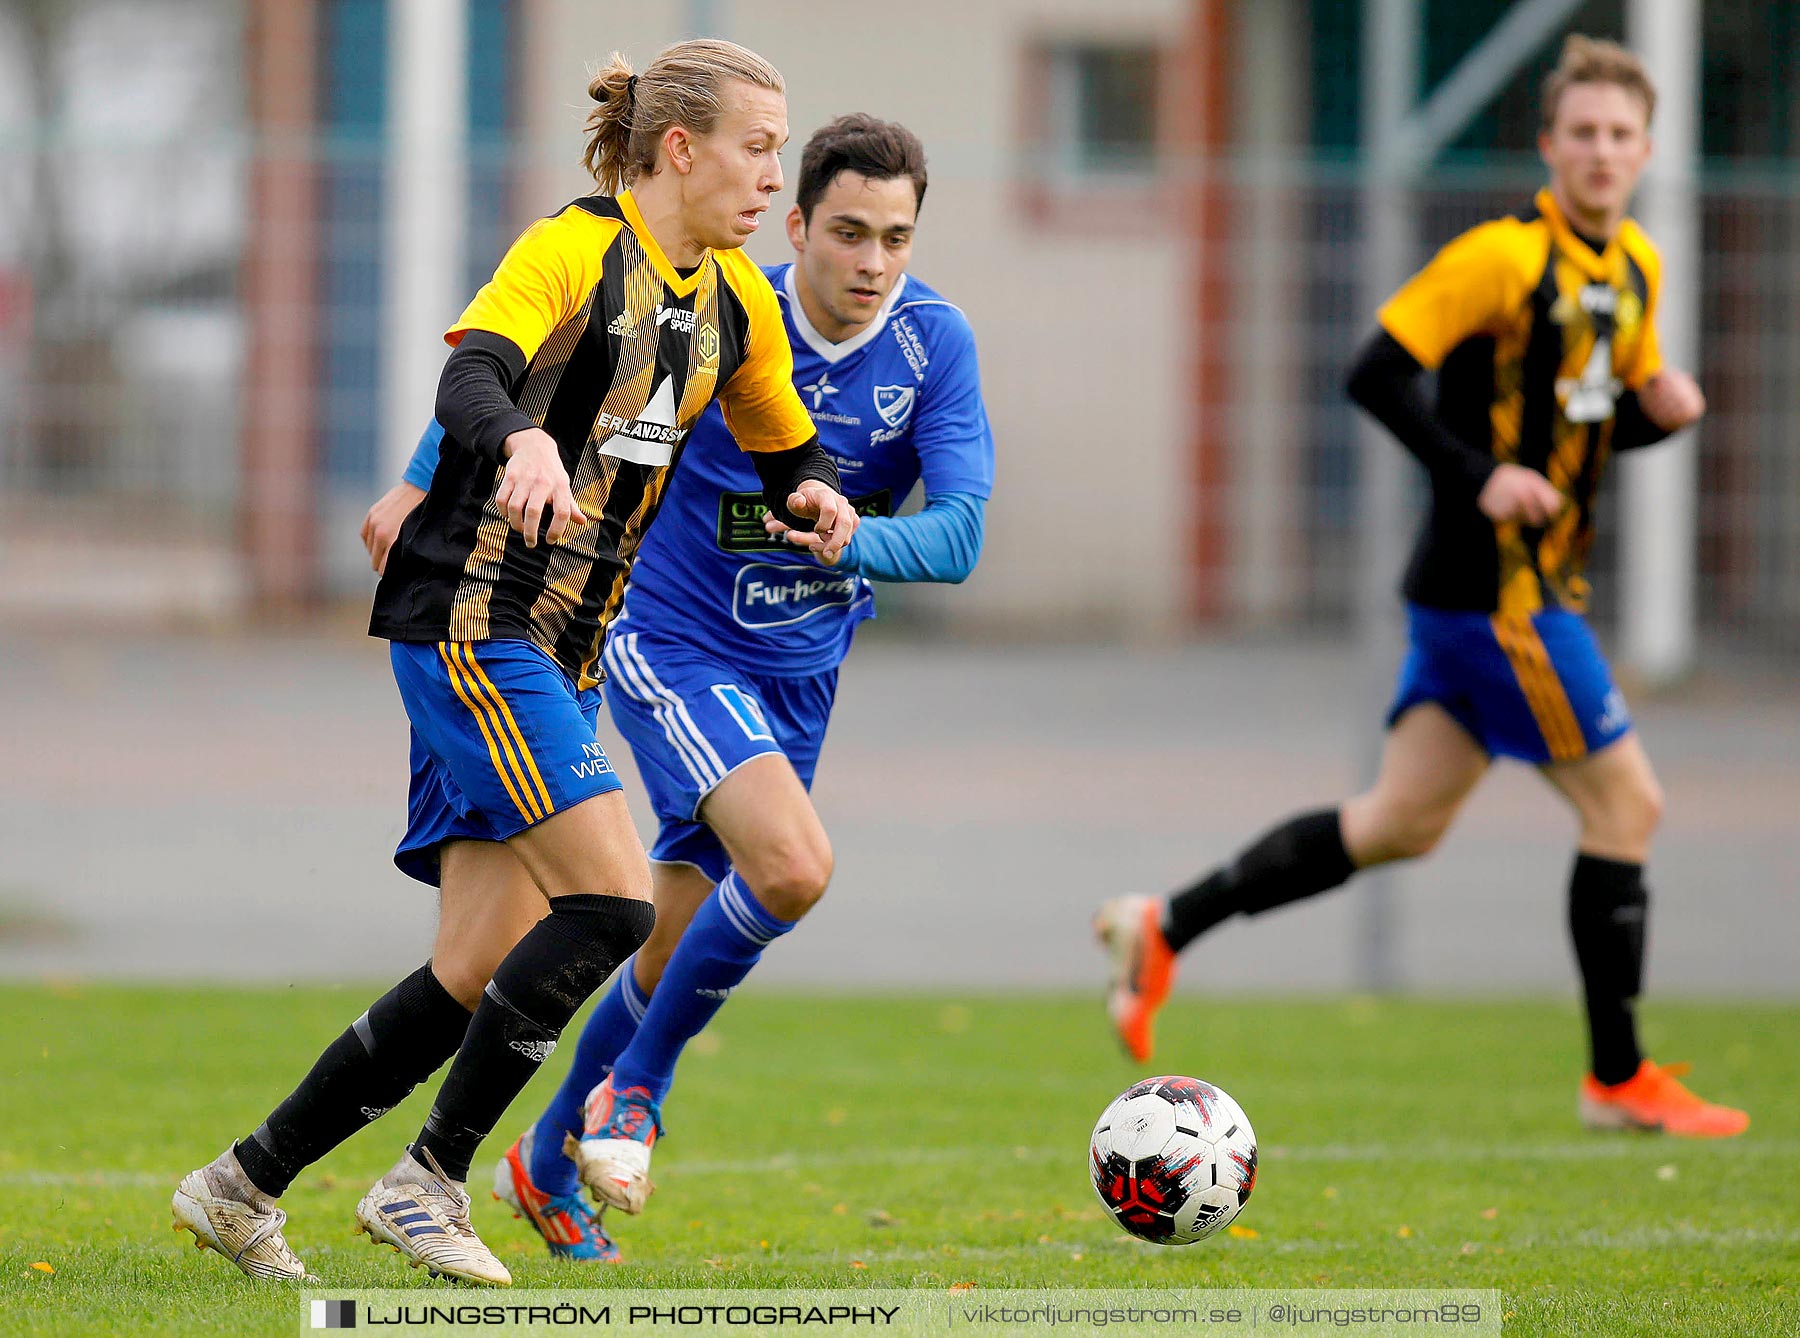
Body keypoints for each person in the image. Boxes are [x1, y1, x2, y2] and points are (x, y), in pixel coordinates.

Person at [171, 39, 858, 1287]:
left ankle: (241, 1185)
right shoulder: (571, 248)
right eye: (759, 148)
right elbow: (472, 373)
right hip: (475, 621)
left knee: (475, 965)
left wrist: (816, 498)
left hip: (565, 649)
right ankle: (428, 1182)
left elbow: (782, 451)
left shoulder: (739, 304)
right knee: (614, 906)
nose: (776, 176)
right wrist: (518, 442)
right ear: (681, 148)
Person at [364, 113, 993, 1263]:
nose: (872, 262)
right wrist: (420, 480)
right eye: (848, 231)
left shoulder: (931, 348)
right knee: (793, 865)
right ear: (796, 224)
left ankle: (546, 1160)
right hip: (670, 636)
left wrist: (852, 545)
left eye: (896, 238)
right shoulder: (723, 306)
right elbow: (540, 373)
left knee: (670, 933)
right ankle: (632, 1095)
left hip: (803, 671)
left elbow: (957, 536)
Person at [1096, 35, 1747, 1140]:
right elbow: (1375, 374)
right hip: (1500, 597)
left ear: (1645, 149)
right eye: (1580, 132)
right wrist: (1479, 473)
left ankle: (1165, 927)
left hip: (1492, 593)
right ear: (1548, 146)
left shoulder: (1637, 264)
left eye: (1620, 135)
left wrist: (1654, 415)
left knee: (1396, 823)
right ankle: (1617, 1077)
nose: (1600, 151)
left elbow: (1582, 431)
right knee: (1628, 804)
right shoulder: (1499, 259)